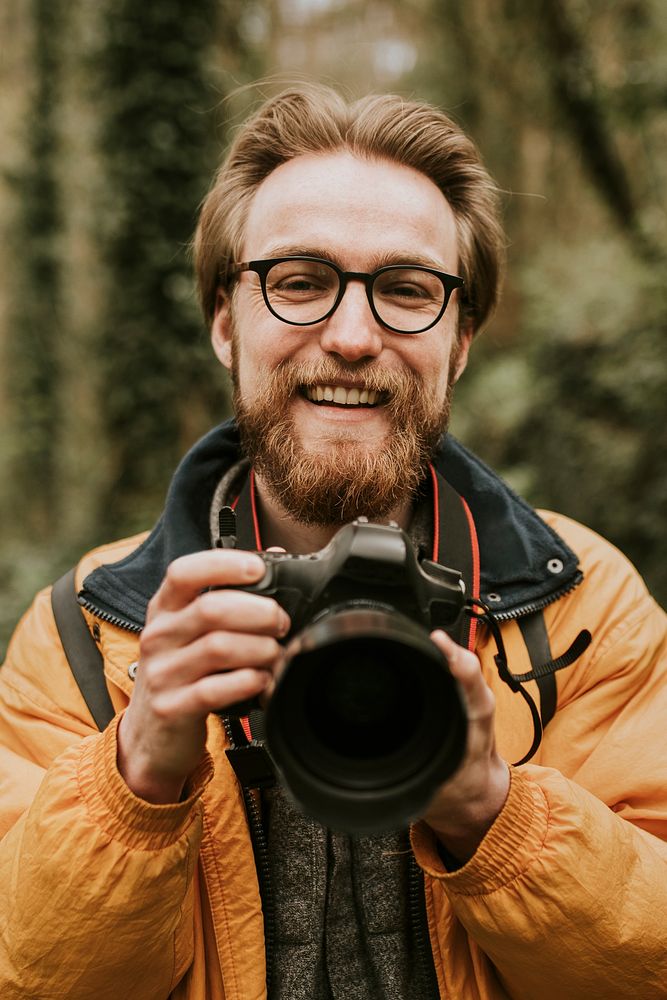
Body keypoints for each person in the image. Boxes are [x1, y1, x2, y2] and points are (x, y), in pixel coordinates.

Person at [0, 84, 665, 1000]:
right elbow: (33, 977)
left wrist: (487, 808)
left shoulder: (581, 609)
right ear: (225, 322)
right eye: (300, 282)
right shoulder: (86, 637)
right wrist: (138, 770)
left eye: (406, 290)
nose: (353, 337)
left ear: (461, 339)